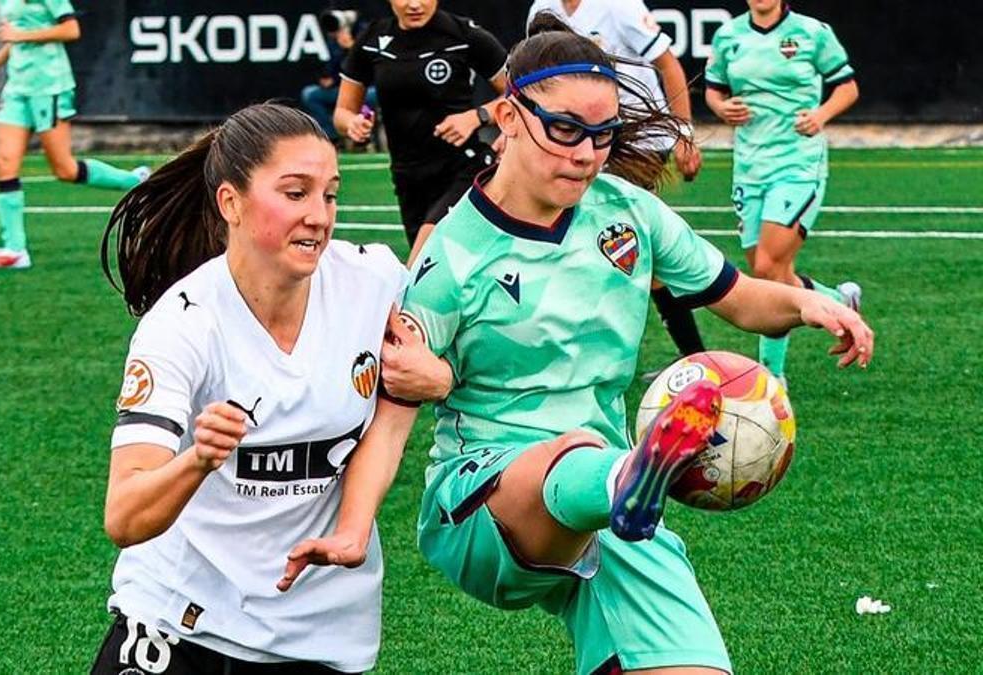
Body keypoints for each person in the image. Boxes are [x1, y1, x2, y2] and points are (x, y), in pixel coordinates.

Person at [281, 16, 874, 674]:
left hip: (612, 513)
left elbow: (737, 296)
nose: (587, 153)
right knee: (586, 454)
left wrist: (806, 302)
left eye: (603, 134)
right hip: (483, 505)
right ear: (507, 115)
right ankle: (629, 474)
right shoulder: (451, 257)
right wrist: (355, 529)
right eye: (565, 130)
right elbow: (391, 423)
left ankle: (624, 482)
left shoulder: (628, 212)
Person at [90, 103, 445, 674]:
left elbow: (417, 390)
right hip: (180, 621)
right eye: (295, 193)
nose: (319, 216)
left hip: (319, 635)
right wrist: (199, 459)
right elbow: (125, 517)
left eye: (330, 194)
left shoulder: (373, 282)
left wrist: (438, 378)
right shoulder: (182, 323)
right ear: (230, 202)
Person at [525, 0, 710, 366]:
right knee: (624, 248)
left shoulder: (618, 6)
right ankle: (694, 356)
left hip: (638, 141)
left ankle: (686, 355)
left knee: (615, 240)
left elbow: (668, 64)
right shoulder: (541, 9)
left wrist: (683, 134)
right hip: (583, 140)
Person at [705, 0, 862, 383]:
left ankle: (772, 376)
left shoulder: (812, 32)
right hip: (749, 167)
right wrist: (722, 108)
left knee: (766, 269)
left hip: (797, 164)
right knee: (772, 273)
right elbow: (713, 92)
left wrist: (821, 115)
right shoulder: (728, 36)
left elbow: (848, 87)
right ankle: (839, 302)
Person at [0, 0, 148, 270]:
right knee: (5, 162)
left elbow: (70, 30)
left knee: (64, 169)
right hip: (17, 89)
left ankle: (135, 181)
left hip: (49, 86)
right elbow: (18, 34)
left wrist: (21, 35)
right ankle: (15, 249)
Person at [335, 0, 508, 264]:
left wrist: (477, 117)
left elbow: (521, 95)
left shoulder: (464, 35)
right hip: (408, 176)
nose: (414, 4)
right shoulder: (373, 39)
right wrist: (352, 124)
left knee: (418, 265)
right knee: (443, 275)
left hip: (462, 168)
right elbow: (342, 113)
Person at [301, 11, 378, 146]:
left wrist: (351, 48)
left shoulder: (365, 32)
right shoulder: (334, 40)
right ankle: (332, 136)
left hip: (364, 89)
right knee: (310, 94)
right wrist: (328, 79)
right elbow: (333, 69)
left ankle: (363, 136)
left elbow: (372, 68)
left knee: (373, 94)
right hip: (339, 89)